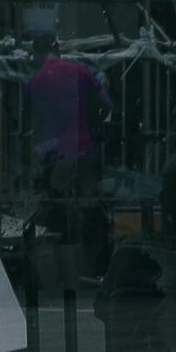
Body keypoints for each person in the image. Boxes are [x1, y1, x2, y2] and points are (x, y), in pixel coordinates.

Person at [25, 33, 112, 280]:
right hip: (83, 150)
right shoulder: (80, 71)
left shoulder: (34, 83)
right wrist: (90, 125)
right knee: (92, 207)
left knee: (57, 211)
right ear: (58, 49)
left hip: (53, 157)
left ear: (35, 54)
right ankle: (99, 267)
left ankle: (65, 271)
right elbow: (107, 105)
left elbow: (34, 127)